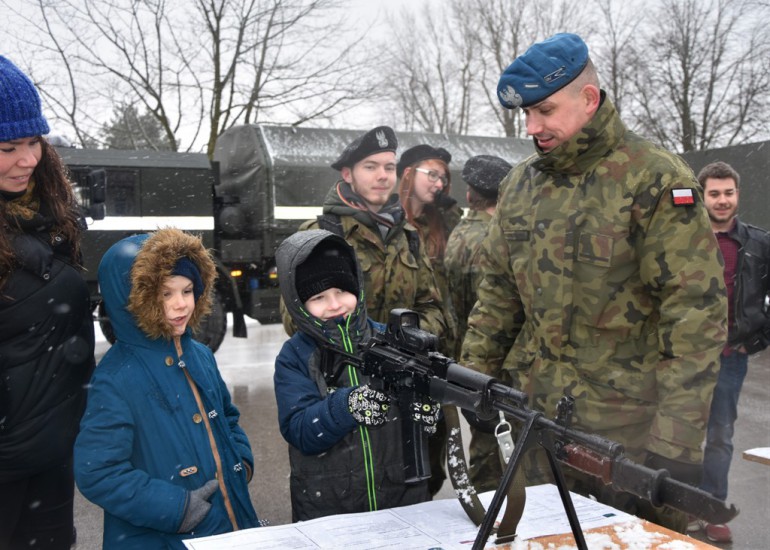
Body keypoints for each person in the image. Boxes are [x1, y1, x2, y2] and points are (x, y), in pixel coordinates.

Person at [461, 33, 727, 532]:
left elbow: (694, 317)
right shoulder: (519, 186)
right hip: (534, 426)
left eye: (543, 111)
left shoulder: (655, 180)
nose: (531, 127)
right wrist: (473, 385)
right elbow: (496, 296)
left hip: (626, 437)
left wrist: (678, 443)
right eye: (526, 115)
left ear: (588, 99)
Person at [74, 227, 259, 549]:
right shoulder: (116, 377)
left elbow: (228, 417)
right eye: (165, 294)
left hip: (229, 523)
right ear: (135, 300)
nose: (180, 305)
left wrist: (240, 462)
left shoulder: (199, 355)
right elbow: (98, 472)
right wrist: (176, 508)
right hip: (158, 537)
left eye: (187, 291)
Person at [274, 229, 437, 521]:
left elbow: (421, 407)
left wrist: (426, 412)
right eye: (319, 297)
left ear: (358, 289)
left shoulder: (392, 340)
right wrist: (345, 406)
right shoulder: (295, 356)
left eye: (342, 291)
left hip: (401, 500)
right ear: (299, 304)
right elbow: (300, 431)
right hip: (330, 509)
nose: (335, 304)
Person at [0, 55, 96, 550]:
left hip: (53, 455)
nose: (28, 159)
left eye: (34, 141)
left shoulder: (49, 214)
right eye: (7, 146)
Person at [284, 126, 448, 345]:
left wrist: (406, 338)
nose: (382, 176)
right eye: (370, 167)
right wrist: (356, 339)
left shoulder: (407, 236)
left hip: (397, 370)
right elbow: (293, 318)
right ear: (347, 174)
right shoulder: (320, 235)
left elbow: (432, 307)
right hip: (341, 371)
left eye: (389, 168)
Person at [687, 161, 770, 543]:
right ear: (702, 196)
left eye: (729, 192)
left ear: (738, 194)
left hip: (730, 357)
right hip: (684, 356)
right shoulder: (684, 239)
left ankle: (710, 510)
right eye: (714, 193)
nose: (722, 200)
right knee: (677, 433)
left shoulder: (759, 243)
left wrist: (759, 336)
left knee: (719, 435)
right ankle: (676, 506)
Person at [443, 154, 511, 493]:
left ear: (470, 195)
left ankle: (485, 509)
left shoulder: (459, 233)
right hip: (495, 358)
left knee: (483, 444)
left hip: (466, 355)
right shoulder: (496, 240)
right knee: (501, 444)